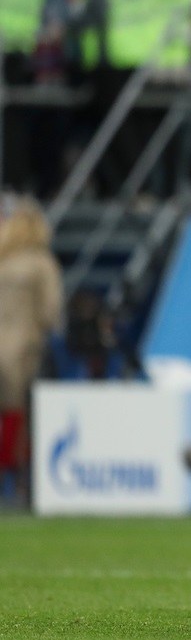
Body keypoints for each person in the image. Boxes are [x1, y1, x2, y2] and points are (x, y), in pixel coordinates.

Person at [0, 196, 64, 506]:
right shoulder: (40, 264)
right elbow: (51, 312)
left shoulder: (3, 261)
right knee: (20, 414)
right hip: (22, 350)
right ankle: (16, 481)